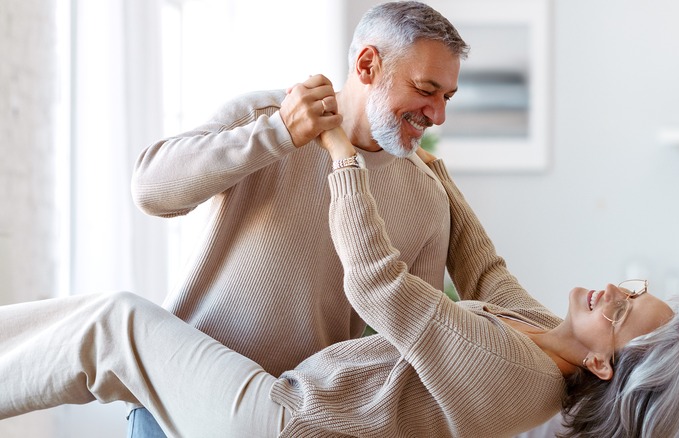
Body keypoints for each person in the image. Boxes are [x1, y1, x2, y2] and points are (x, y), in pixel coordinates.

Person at [0, 127, 679, 437]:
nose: (615, 290)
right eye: (631, 287)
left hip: (281, 425)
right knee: (107, 329)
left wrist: (343, 157)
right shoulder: (542, 340)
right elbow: (483, 266)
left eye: (626, 309)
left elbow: (378, 288)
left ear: (605, 362)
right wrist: (432, 165)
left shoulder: (513, 374)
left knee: (114, 324)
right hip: (287, 408)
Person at [128, 1, 468, 435]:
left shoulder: (426, 200)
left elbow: (410, 350)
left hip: (287, 421)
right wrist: (279, 135)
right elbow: (150, 192)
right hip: (176, 402)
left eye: (447, 98)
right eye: (426, 89)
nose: (437, 115)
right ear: (368, 65)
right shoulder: (269, 117)